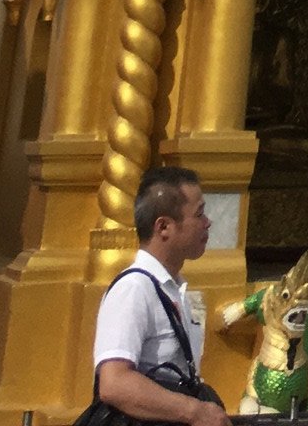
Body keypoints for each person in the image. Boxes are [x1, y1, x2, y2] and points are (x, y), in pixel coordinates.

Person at [90, 167, 226, 425]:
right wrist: (194, 411)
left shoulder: (171, 288)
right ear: (163, 227)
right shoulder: (134, 289)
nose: (207, 222)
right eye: (199, 214)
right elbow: (114, 382)